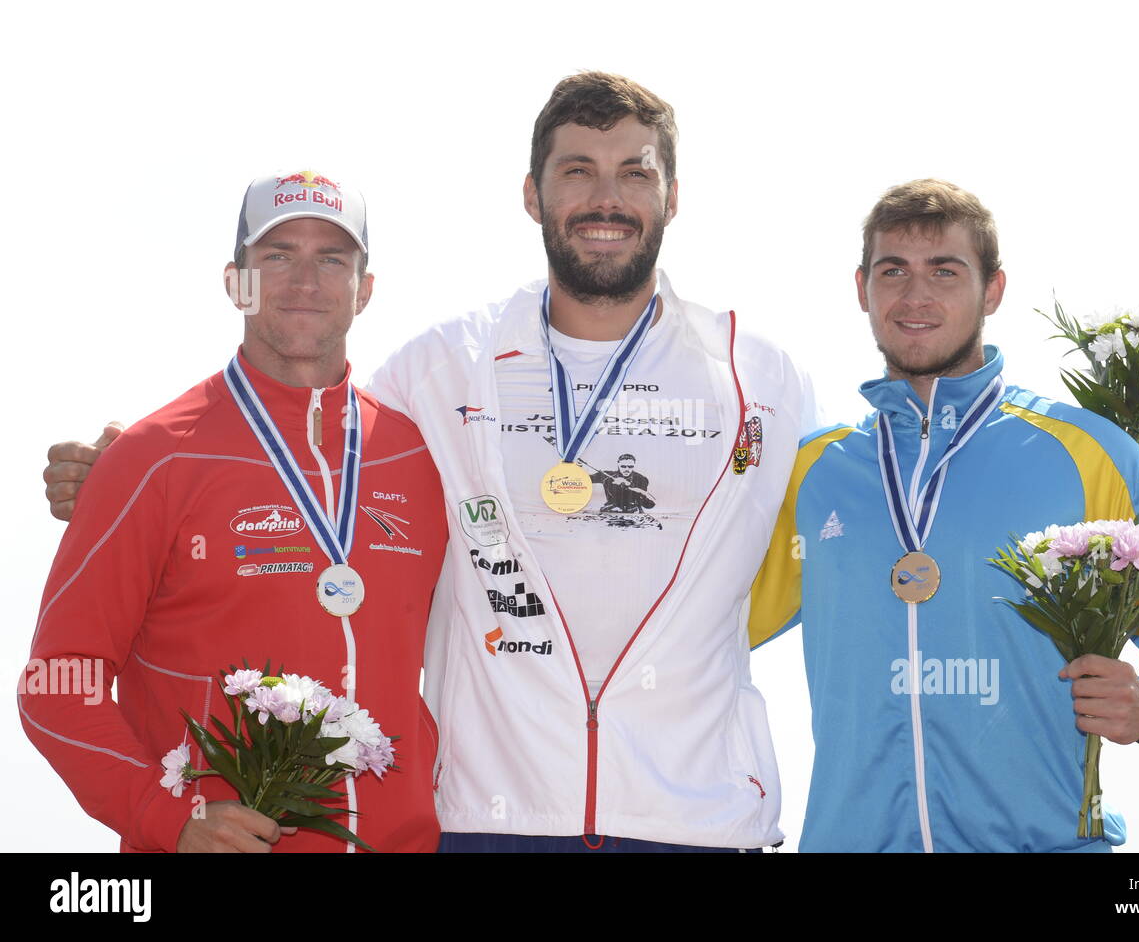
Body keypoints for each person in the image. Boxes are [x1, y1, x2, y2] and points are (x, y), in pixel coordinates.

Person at [44, 75, 817, 852]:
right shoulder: (439, 373)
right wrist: (123, 465)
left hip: (690, 819)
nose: (605, 198)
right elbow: (287, 430)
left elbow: (861, 498)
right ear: (532, 193)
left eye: (635, 172)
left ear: (672, 195)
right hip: (488, 822)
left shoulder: (762, 378)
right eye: (577, 169)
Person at [747, 178, 1139, 852]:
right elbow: (697, 622)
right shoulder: (812, 470)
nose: (915, 295)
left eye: (945, 271)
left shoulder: (1086, 452)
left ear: (994, 290)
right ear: (862, 287)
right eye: (893, 271)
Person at [23, 171, 448, 852]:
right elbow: (56, 683)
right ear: (235, 282)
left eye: (331, 258)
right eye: (277, 255)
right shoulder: (152, 458)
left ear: (365, 289)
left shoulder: (422, 458)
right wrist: (168, 818)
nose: (304, 281)